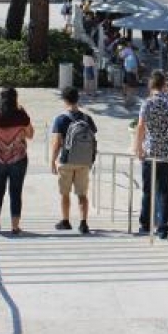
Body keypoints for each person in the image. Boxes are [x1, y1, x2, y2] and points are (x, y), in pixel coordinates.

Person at [133, 70, 168, 239]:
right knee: (165, 191)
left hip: (151, 152)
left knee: (148, 190)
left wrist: (138, 148)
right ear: (165, 86)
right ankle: (163, 228)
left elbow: (141, 127)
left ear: (151, 86)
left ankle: (145, 224)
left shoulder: (147, 103)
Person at [0, 87, 34, 234]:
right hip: (19, 159)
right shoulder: (21, 115)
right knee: (16, 192)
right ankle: (15, 226)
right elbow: (30, 135)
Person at [50, 87, 97, 234]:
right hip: (84, 161)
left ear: (64, 100)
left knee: (65, 193)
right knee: (82, 194)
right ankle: (83, 223)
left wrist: (52, 160)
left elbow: (57, 142)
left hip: (66, 160)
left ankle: (66, 221)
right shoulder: (87, 118)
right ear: (78, 99)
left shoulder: (61, 119)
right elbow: (93, 137)